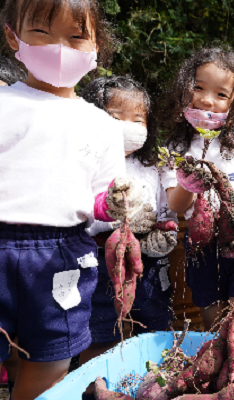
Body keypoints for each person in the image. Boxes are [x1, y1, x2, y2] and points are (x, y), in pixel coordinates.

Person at [0, 0, 144, 398]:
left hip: (63, 254)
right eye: (42, 34)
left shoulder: (101, 125)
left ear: (97, 47)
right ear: (13, 35)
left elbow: (102, 203)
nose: (59, 48)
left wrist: (113, 205)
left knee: (50, 364)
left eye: (76, 37)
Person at [163, 47, 234, 332]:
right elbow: (177, 207)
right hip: (203, 236)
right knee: (213, 319)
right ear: (183, 89)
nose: (207, 100)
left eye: (220, 95)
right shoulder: (176, 148)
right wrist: (187, 184)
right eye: (198, 88)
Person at [78, 76, 178, 383]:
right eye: (116, 117)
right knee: (102, 328)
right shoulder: (84, 162)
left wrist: (163, 231)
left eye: (138, 119)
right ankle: (100, 385)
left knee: (156, 322)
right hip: (99, 259)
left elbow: (166, 209)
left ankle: (157, 383)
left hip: (148, 261)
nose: (129, 126)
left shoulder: (153, 165)